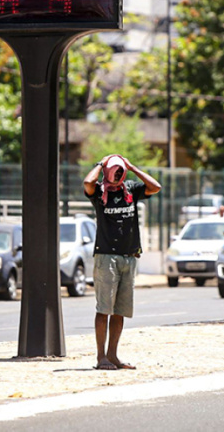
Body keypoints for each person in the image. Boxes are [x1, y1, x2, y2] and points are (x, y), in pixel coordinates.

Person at [83, 154, 161, 370]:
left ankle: (113, 356)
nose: (117, 174)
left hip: (130, 256)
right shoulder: (99, 192)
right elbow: (87, 183)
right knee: (104, 309)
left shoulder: (131, 190)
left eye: (120, 170)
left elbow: (155, 187)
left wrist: (132, 166)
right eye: (113, 170)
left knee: (120, 311)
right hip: (106, 256)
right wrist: (100, 163)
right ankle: (101, 358)